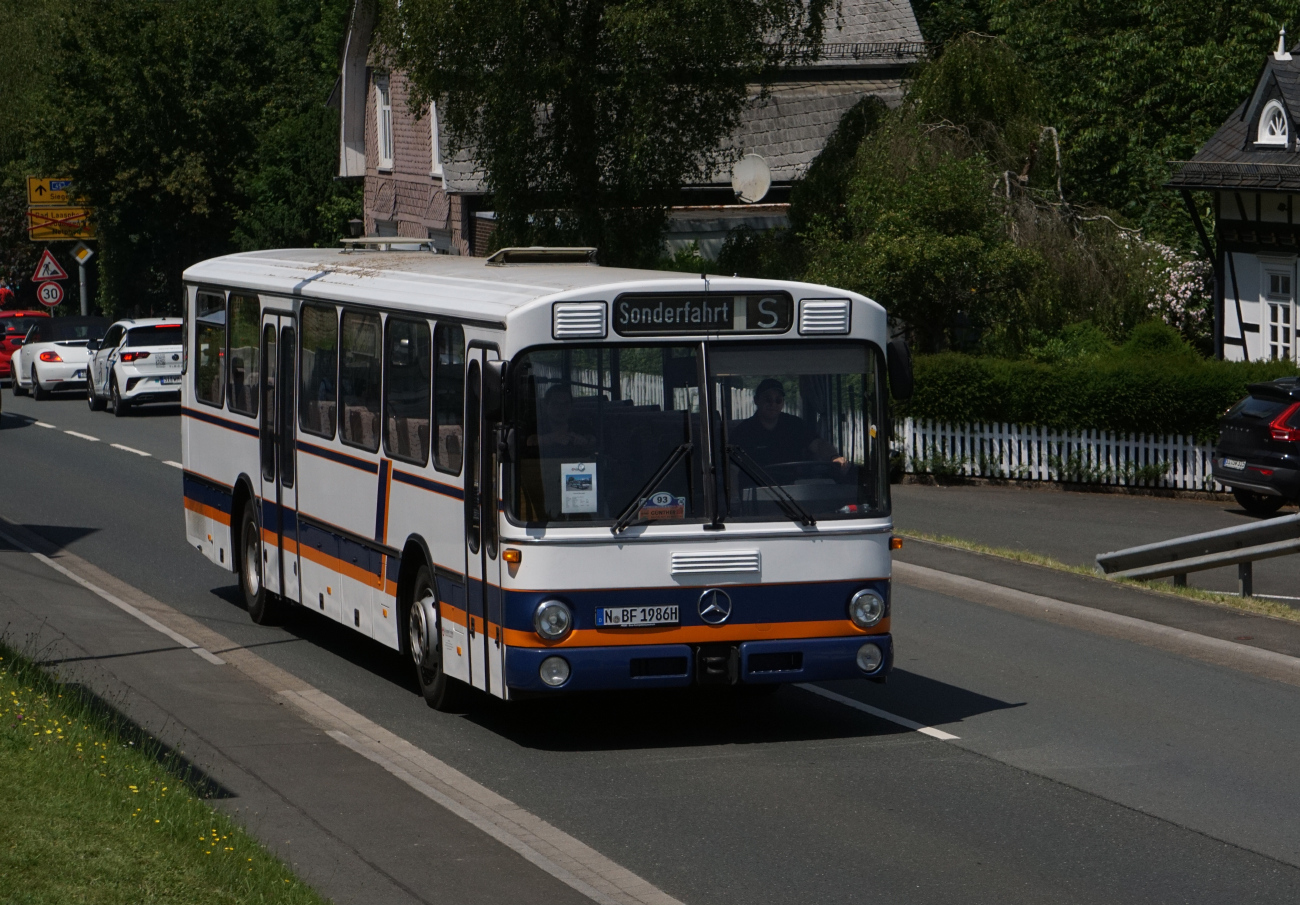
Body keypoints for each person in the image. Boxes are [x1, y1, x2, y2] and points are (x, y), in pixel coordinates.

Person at [729, 378, 846, 469]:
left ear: (783, 403)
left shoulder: (795, 425)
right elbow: (733, 469)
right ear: (756, 400)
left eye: (778, 400)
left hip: (795, 491)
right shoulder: (742, 432)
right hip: (756, 492)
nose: (773, 404)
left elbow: (818, 445)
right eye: (767, 399)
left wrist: (834, 457)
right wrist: (735, 499)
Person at [526, 385, 596, 454]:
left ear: (571, 406)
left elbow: (595, 442)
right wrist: (549, 438)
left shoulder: (581, 426)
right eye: (555, 403)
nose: (561, 408)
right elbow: (525, 445)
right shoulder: (535, 426)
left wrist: (586, 442)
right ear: (545, 406)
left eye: (566, 404)